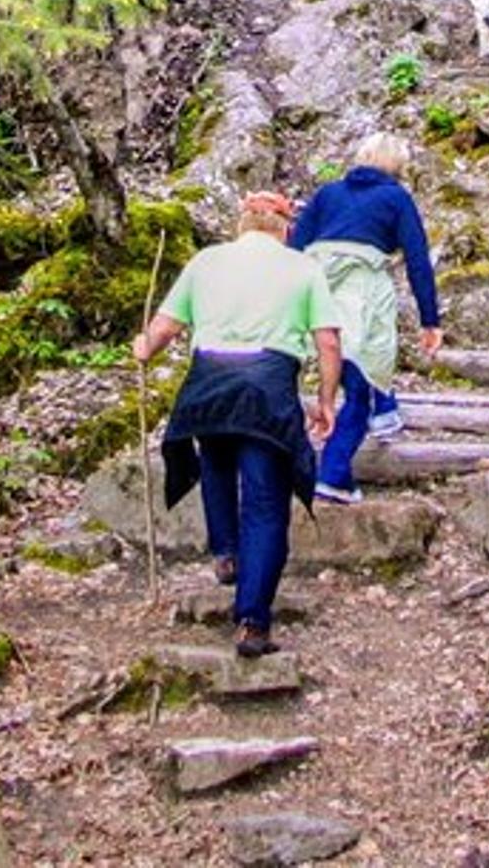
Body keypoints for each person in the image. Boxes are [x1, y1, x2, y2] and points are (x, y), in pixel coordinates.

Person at [133, 192, 341, 658]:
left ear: (242, 224)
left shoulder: (206, 261)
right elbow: (327, 342)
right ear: (284, 226)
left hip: (209, 382)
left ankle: (225, 552)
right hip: (267, 387)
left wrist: (144, 348)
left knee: (217, 465)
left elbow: (164, 330)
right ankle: (252, 622)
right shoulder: (302, 268)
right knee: (266, 504)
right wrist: (326, 402)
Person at [289, 132, 443, 504]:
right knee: (358, 385)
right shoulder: (396, 198)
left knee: (351, 371)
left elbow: (294, 249)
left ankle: (385, 409)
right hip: (361, 294)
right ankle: (334, 473)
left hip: (317, 286)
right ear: (397, 166)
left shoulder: (328, 194)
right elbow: (418, 260)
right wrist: (430, 320)